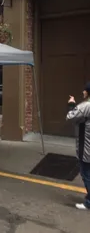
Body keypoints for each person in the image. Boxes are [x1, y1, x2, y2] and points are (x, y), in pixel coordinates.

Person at [66, 82, 90, 210]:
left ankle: (89, 202)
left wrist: (71, 104)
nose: (83, 92)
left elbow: (71, 117)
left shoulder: (86, 106)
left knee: (86, 173)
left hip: (86, 146)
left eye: (85, 90)